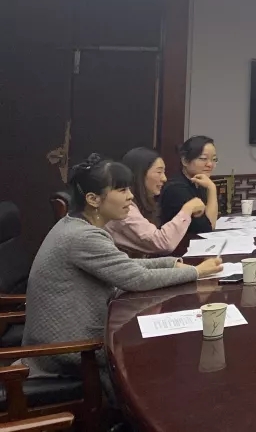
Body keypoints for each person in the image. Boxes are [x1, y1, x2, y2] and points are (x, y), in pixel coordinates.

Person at [21, 154, 222, 400]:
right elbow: (136, 278)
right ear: (93, 199)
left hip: (76, 335)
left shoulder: (77, 226)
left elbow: (124, 266)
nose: (130, 196)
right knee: (159, 363)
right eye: (121, 190)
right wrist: (196, 272)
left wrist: (171, 263)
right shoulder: (82, 237)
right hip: (69, 350)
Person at [107, 147, 206, 255]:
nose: (164, 178)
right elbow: (162, 243)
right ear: (140, 174)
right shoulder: (125, 209)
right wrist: (188, 209)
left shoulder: (148, 201)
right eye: (159, 172)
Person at [159, 136, 219, 237]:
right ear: (185, 161)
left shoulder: (200, 182)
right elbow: (207, 228)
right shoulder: (176, 189)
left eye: (214, 159)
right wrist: (212, 188)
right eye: (203, 159)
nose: (210, 164)